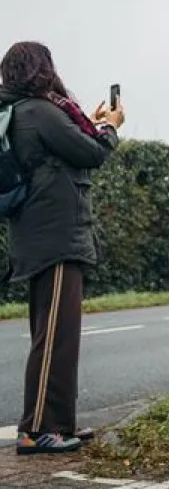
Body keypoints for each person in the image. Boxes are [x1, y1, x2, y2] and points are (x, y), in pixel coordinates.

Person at [0, 42, 123, 455]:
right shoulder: (38, 111)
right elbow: (89, 151)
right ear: (42, 69)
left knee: (57, 334)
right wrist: (110, 128)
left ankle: (59, 421)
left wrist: (87, 122)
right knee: (54, 336)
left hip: (37, 235)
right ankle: (37, 429)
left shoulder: (21, 112)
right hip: (53, 237)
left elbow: (64, 146)